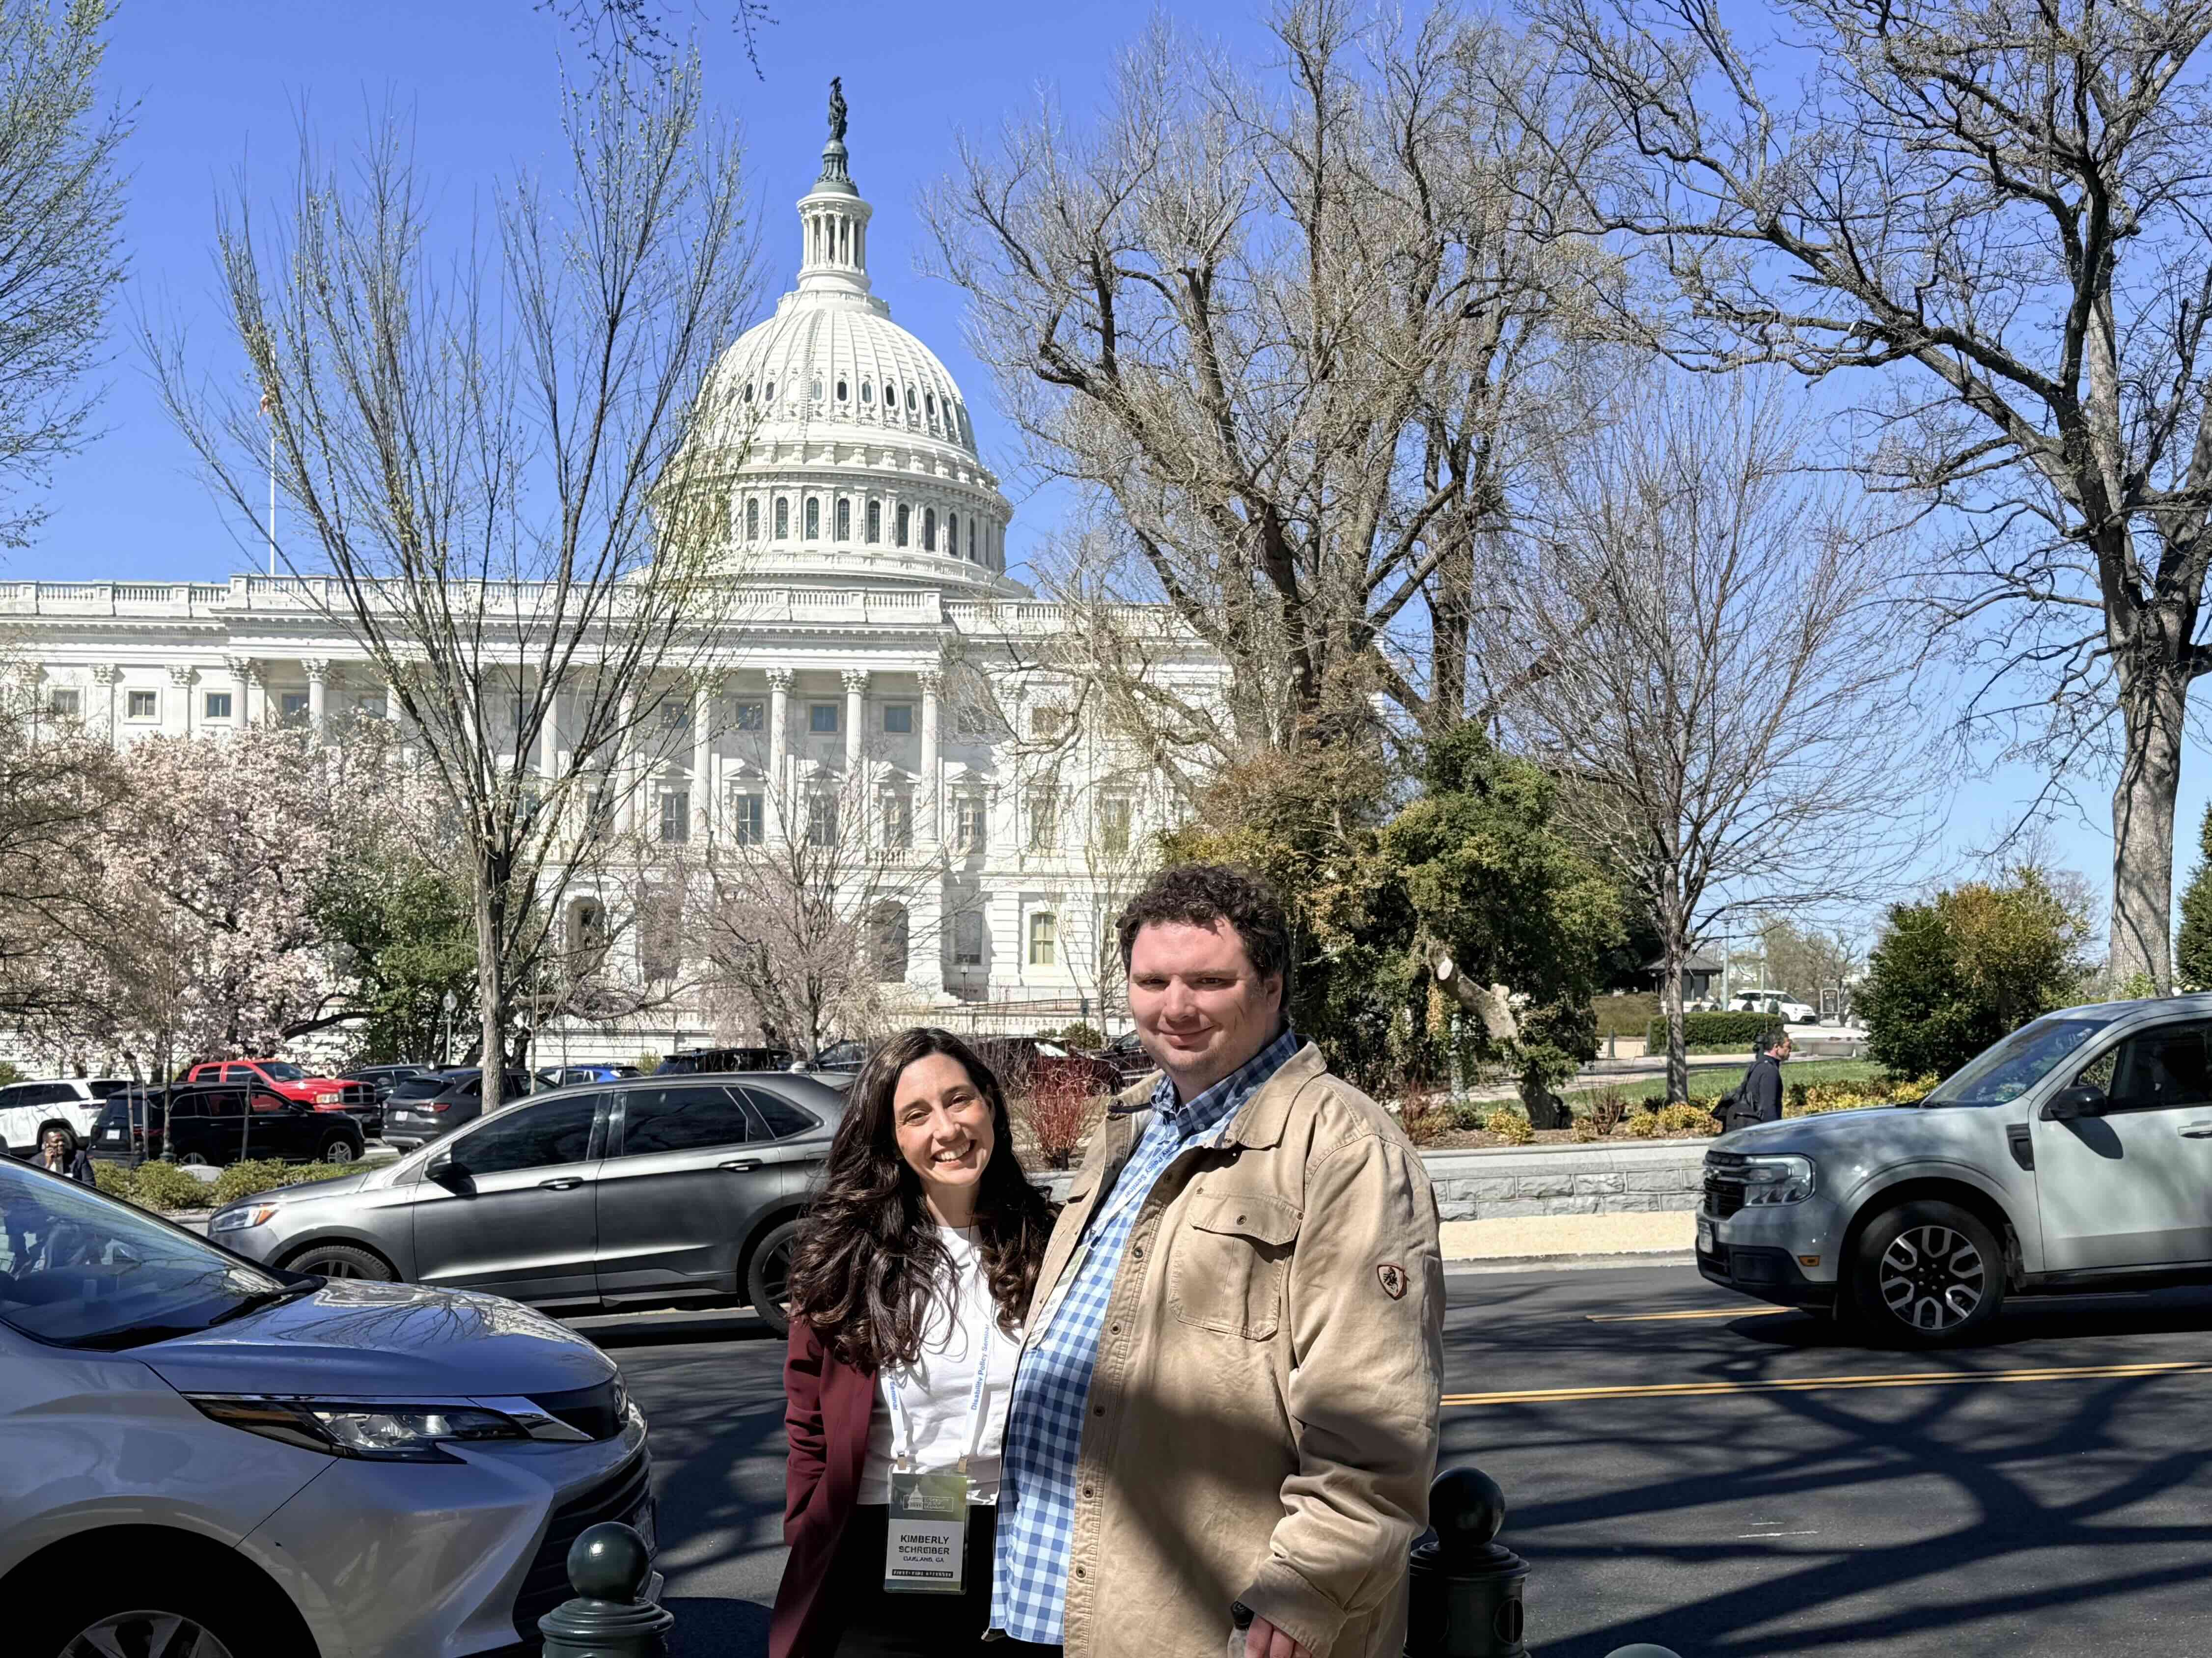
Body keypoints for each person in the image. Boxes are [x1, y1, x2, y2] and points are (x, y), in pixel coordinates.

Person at [992, 864, 1445, 1658]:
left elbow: (1374, 1419)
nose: (1175, 1007)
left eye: (1208, 980)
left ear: (1270, 986)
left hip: (1213, 1622)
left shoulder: (1341, 1148)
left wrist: (1307, 1591)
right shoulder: (1128, 1129)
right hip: (1047, 1603)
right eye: (1151, 980)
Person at [771, 1028, 1058, 1658]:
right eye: (917, 1115)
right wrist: (807, 1526)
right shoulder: (841, 1259)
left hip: (1023, 1548)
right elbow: (807, 1418)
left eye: (960, 1100)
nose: (947, 1130)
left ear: (990, 1104)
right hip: (877, 1546)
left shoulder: (1055, 1246)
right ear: (892, 1139)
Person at [1728, 1030, 1792, 1130]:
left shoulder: (1758, 1065)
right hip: (1763, 1131)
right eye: (1788, 1046)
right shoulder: (1769, 1071)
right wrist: (1776, 1132)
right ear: (1776, 1047)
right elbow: (1768, 1107)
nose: (1790, 1050)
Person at [28, 1119, 96, 1187]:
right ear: (47, 1145)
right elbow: (35, 1187)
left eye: (63, 1140)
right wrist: (48, 1166)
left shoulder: (79, 1157)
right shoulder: (34, 1163)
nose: (61, 1144)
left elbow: (90, 1184)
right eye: (56, 1142)